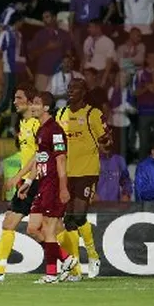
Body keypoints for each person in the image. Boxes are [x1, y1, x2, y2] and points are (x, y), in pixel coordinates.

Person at [5, 91, 77, 284]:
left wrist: (63, 188)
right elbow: (39, 159)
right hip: (42, 185)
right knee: (32, 228)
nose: (32, 106)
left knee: (48, 229)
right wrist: (27, 182)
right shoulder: (41, 130)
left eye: (36, 103)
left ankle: (51, 274)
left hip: (53, 185)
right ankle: (66, 259)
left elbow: (61, 160)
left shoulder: (55, 131)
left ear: (46, 107)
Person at [0, 86, 39, 282]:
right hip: (28, 181)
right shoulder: (23, 123)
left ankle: (70, 262)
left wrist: (21, 177)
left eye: (19, 98)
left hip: (38, 181)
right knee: (10, 223)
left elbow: (40, 156)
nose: (14, 102)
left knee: (47, 229)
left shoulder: (37, 124)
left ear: (30, 101)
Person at [55, 78, 109, 279]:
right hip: (65, 173)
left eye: (75, 88)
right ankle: (75, 269)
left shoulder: (92, 114)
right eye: (69, 88)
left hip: (87, 171)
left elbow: (106, 139)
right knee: (68, 220)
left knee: (78, 216)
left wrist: (106, 141)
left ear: (84, 92)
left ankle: (93, 256)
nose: (71, 91)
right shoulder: (61, 114)